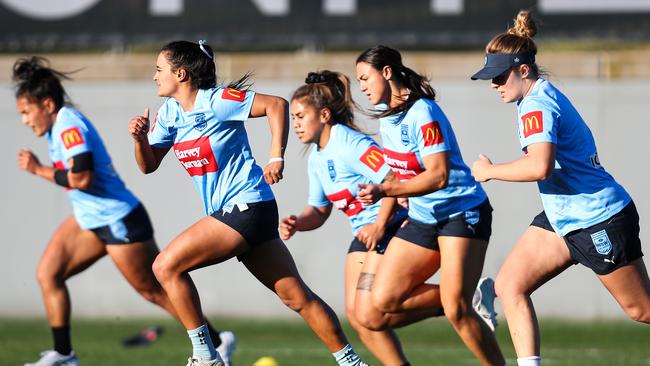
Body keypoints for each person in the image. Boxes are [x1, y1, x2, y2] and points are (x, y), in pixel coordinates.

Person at [128, 40, 369, 366]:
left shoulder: (216, 100)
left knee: (165, 266)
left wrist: (275, 157)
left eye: (160, 69)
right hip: (240, 213)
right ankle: (353, 363)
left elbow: (277, 105)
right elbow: (148, 164)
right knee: (297, 297)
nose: (155, 76)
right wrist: (140, 139)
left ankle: (205, 355)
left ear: (181, 74)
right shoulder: (170, 114)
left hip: (247, 207)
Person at [13, 56, 235, 366]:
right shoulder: (56, 128)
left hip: (118, 218)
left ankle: (217, 340)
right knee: (48, 274)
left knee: (155, 292)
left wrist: (38, 170)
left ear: (47, 105)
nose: (24, 120)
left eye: (26, 112)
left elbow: (82, 178)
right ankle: (64, 354)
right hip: (90, 219)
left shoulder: (67, 126)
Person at [470, 10, 650, 366]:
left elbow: (540, 166)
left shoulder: (536, 104)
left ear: (524, 70)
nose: (494, 84)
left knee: (641, 309)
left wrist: (489, 171)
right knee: (510, 286)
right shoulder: (533, 98)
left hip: (598, 218)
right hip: (564, 214)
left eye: (500, 75)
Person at [353, 45, 505, 365]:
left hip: (461, 212)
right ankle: (467, 295)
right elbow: (402, 168)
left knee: (458, 313)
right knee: (380, 303)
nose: (362, 87)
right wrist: (395, 193)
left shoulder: (422, 111)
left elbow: (438, 176)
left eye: (365, 78)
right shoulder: (387, 118)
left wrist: (386, 190)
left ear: (387, 72)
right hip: (423, 217)